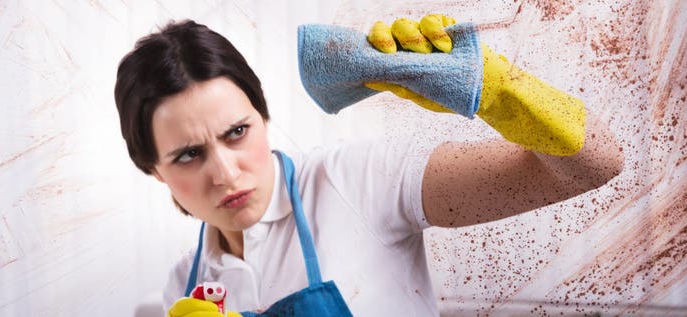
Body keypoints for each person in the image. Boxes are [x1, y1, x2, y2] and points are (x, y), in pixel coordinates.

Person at [114, 19, 623, 316]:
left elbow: (592, 168)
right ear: (154, 170)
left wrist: (496, 91)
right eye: (188, 155)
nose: (224, 173)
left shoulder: (360, 182)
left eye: (237, 133)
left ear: (263, 117)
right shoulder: (181, 289)